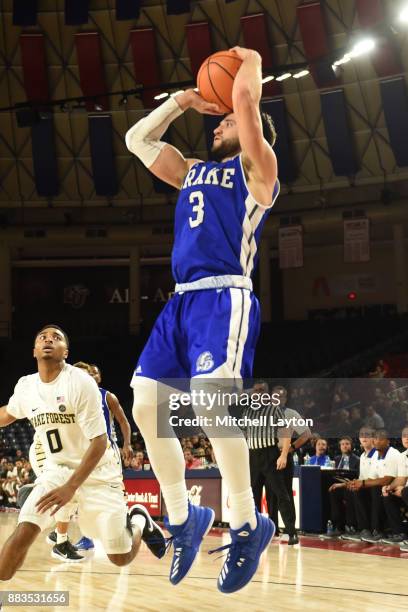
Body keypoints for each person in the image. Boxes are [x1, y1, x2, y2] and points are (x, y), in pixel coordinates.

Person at [126, 46, 278, 593]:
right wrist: (178, 103)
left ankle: (245, 525)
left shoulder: (258, 171)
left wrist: (252, 58)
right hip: (181, 302)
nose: (215, 126)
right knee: (145, 402)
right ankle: (183, 516)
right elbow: (137, 142)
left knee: (214, 410)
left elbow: (243, 95)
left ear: (254, 128)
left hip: (224, 299)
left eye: (227, 122)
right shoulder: (192, 171)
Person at [0, 325, 165, 581]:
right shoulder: (26, 387)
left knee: (119, 556)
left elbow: (99, 442)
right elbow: (7, 414)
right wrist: (64, 484)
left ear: (65, 352)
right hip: (57, 472)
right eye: (42, 337)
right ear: (34, 351)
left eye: (56, 338)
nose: (48, 339)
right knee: (25, 531)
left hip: (99, 473)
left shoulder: (81, 382)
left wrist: (71, 488)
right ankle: (58, 539)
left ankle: (139, 520)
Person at [270, 385, 311, 540]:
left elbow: (306, 434)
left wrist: (292, 447)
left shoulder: (290, 413)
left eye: (281, 396)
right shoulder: (265, 413)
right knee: (271, 495)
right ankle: (272, 530)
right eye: (275, 396)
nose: (278, 399)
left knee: (285, 493)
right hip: (268, 455)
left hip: (284, 453)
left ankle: (289, 530)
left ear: (285, 398)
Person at [346, 428, 400, 542]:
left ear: (388, 441)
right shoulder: (376, 455)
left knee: (375, 489)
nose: (377, 441)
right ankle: (364, 529)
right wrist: (359, 484)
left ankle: (377, 530)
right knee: (357, 490)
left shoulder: (393, 453)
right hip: (381, 486)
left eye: (380, 439)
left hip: (393, 487)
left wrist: (364, 483)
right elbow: (371, 477)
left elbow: (387, 480)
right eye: (375, 439)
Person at [381, 426, 408, 544]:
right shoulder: (402, 456)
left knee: (406, 492)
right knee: (387, 495)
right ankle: (400, 533)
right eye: (404, 436)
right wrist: (389, 487)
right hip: (405, 491)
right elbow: (401, 478)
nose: (406, 438)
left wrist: (403, 490)